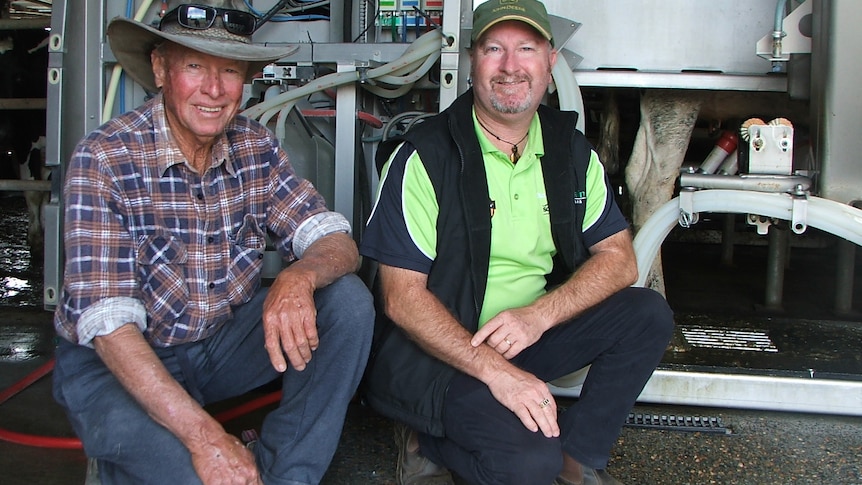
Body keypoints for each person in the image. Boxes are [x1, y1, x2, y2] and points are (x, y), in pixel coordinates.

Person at [51, 1, 374, 484]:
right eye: (195, 66)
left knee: (347, 302)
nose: (214, 89)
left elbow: (336, 240)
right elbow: (111, 330)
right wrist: (208, 440)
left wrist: (299, 276)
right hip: (118, 360)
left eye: (230, 71)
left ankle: (287, 474)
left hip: (217, 346)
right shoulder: (104, 158)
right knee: (196, 471)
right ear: (161, 68)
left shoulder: (254, 147)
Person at [359, 0, 674, 484]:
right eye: (494, 49)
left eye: (526, 48)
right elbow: (402, 300)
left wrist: (538, 316)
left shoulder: (569, 150)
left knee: (646, 315)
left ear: (549, 63)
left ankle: (576, 458)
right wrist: (496, 373)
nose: (510, 66)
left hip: (527, 336)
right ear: (472, 63)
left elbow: (619, 261)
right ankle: (428, 439)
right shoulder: (424, 155)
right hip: (443, 356)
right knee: (528, 465)